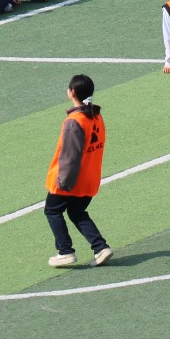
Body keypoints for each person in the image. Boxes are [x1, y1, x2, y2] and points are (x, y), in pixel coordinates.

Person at [43, 74, 113, 268]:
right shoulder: (96, 116)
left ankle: (65, 251)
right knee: (76, 211)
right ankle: (100, 247)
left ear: (72, 92)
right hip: (90, 177)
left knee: (52, 210)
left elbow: (70, 156)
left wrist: (63, 182)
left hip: (71, 180)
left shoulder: (74, 121)